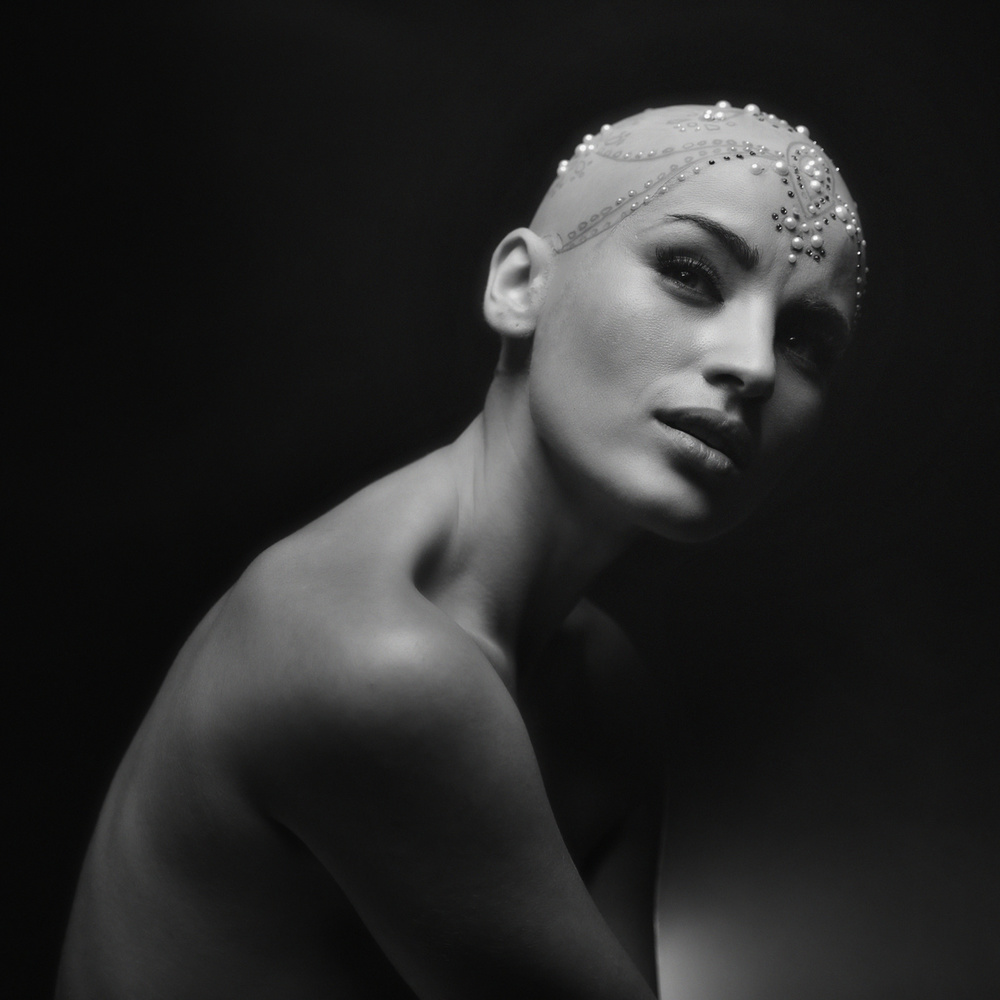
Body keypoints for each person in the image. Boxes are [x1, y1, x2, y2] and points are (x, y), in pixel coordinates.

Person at [56, 101, 867, 999]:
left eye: (805, 338)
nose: (754, 365)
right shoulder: (374, 661)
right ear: (521, 285)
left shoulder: (602, 690)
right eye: (691, 273)